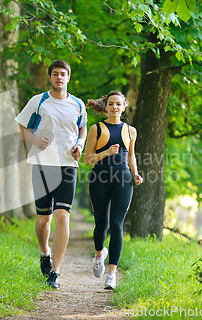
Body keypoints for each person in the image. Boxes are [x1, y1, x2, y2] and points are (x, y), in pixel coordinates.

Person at [15, 60, 87, 290]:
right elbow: (22, 128)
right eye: (55, 74)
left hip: (67, 165)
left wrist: (80, 144)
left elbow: (82, 127)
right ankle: (44, 252)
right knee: (43, 219)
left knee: (62, 216)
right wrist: (36, 140)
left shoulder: (77, 104)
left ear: (68, 78)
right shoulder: (38, 101)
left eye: (63, 74)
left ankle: (55, 272)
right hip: (42, 164)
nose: (59, 78)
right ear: (50, 77)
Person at [83, 90, 143, 289]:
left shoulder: (130, 131)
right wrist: (107, 152)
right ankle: (99, 254)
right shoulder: (96, 129)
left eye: (118, 104)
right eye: (111, 104)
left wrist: (135, 173)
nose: (115, 107)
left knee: (117, 225)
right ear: (106, 106)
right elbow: (87, 159)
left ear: (124, 106)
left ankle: (112, 274)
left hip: (123, 179)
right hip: (100, 177)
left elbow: (130, 156)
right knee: (101, 225)